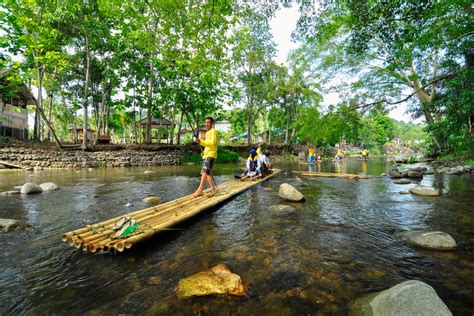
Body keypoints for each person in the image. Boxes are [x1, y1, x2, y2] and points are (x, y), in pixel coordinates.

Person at [193, 117, 218, 197]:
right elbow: (207, 145)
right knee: (206, 173)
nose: (206, 124)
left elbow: (212, 144)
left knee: (204, 172)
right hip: (207, 155)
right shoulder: (207, 133)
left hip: (211, 155)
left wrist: (201, 141)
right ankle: (213, 188)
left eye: (208, 122)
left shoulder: (213, 132)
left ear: (212, 123)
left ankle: (200, 190)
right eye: (205, 122)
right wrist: (204, 153)